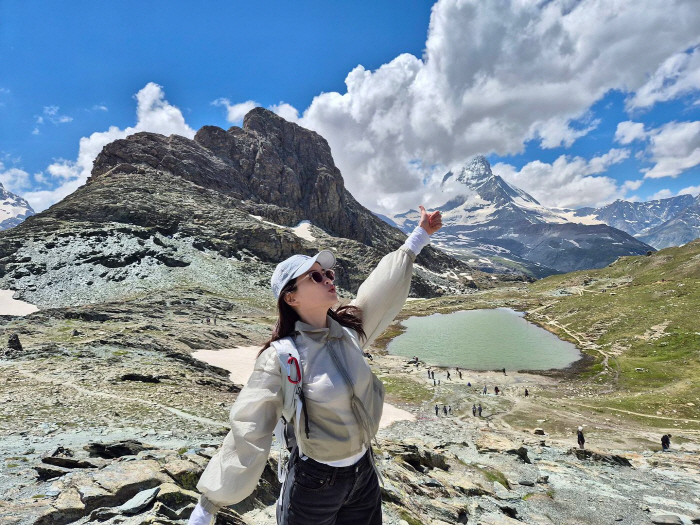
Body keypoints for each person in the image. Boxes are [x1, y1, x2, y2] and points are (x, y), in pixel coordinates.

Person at [189, 206, 443, 525]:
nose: (328, 278)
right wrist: (210, 503)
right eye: (316, 276)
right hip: (315, 483)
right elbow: (249, 429)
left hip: (363, 474)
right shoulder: (282, 356)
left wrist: (418, 237)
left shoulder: (348, 333)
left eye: (328, 274)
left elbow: (380, 290)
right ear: (291, 297)